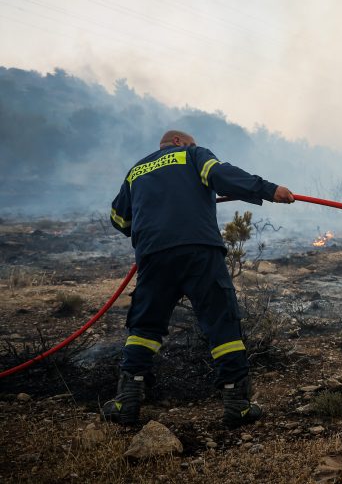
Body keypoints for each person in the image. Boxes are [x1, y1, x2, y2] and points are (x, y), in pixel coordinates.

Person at [102, 129, 294, 428]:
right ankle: (237, 404)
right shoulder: (192, 154)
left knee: (145, 326)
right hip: (198, 250)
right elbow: (221, 175)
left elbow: (119, 219)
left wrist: (151, 217)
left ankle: (126, 400)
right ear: (179, 142)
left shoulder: (136, 171)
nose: (196, 145)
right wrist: (270, 190)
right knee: (221, 321)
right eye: (192, 142)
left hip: (153, 255)